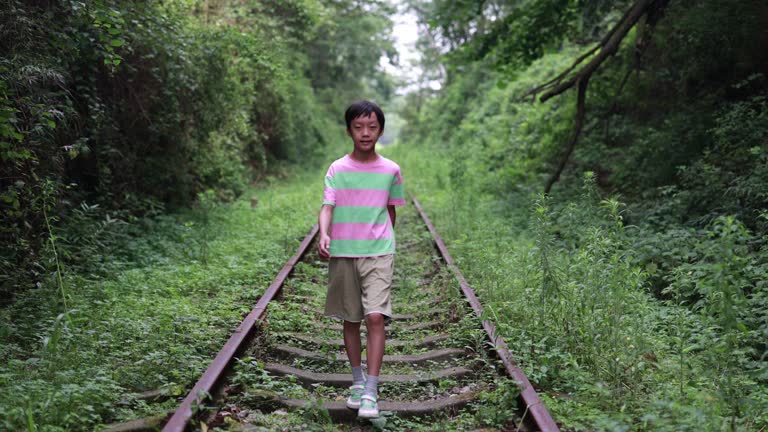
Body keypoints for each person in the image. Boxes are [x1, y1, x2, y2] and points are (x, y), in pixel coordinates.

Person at [317, 100, 405, 419]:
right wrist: (324, 234)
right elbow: (327, 206)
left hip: (379, 252)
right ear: (349, 130)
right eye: (358, 127)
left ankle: (371, 389)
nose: (365, 133)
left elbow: (391, 210)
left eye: (372, 127)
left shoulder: (391, 170)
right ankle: (357, 381)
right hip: (343, 252)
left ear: (380, 130)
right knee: (351, 319)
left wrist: (383, 242)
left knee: (375, 317)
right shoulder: (337, 169)